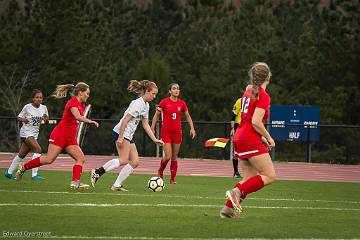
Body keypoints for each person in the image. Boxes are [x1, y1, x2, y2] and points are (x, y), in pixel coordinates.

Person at [16, 82, 99, 189]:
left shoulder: (81, 104)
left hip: (70, 138)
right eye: (87, 93)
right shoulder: (72, 102)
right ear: (80, 93)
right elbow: (77, 117)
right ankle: (23, 167)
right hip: (60, 135)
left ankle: (75, 182)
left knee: (81, 158)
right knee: (49, 160)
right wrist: (90, 121)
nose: (88, 96)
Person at [220, 62, 276, 218]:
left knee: (250, 177)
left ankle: (228, 209)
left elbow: (249, 118)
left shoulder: (249, 90)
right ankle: (236, 192)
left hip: (241, 136)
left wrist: (262, 138)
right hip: (249, 137)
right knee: (269, 175)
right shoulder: (263, 95)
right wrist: (268, 137)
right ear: (268, 77)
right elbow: (256, 122)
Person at [90, 80, 163, 191]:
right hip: (122, 133)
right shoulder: (137, 104)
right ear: (146, 92)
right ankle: (97, 172)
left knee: (135, 162)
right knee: (123, 160)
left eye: (155, 94)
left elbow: (145, 125)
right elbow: (125, 120)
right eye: (153, 93)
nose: (154, 96)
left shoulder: (146, 106)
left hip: (128, 135)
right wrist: (120, 137)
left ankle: (116, 185)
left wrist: (154, 139)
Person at [151, 83, 196, 184]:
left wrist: (192, 128)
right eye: (174, 89)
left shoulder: (182, 103)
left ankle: (172, 179)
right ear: (170, 91)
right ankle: (160, 170)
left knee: (174, 157)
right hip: (166, 133)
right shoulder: (164, 102)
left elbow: (188, 116)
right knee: (168, 156)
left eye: (178, 89)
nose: (176, 90)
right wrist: (152, 128)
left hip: (177, 133)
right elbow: (156, 115)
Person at [5, 89, 49, 180]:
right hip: (26, 132)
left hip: (35, 134)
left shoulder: (44, 108)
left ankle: (8, 173)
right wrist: (23, 119)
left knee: (22, 154)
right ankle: (34, 175)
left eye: (41, 97)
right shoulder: (27, 107)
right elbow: (19, 117)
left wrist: (46, 119)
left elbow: (46, 122)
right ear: (33, 98)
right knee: (38, 149)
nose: (39, 99)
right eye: (37, 97)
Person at [230, 97, 242, 178]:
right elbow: (233, 115)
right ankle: (236, 172)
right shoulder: (239, 101)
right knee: (236, 151)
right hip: (239, 126)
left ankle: (251, 173)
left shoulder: (254, 101)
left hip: (248, 127)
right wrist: (233, 128)